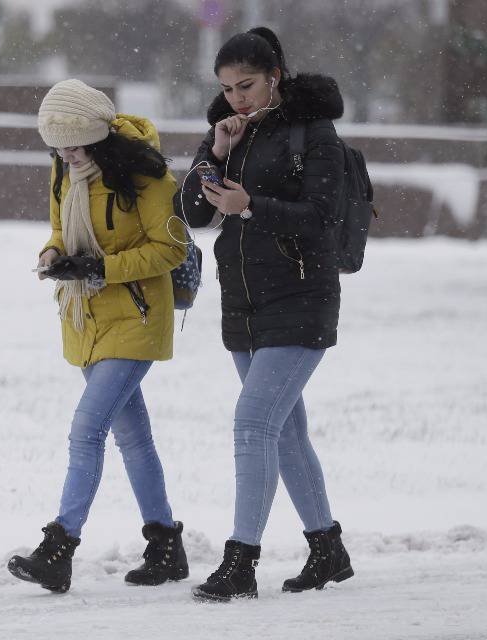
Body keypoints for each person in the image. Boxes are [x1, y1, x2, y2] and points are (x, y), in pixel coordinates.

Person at [175, 27, 355, 602]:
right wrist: (213, 153)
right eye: (227, 89)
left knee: (255, 424)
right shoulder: (231, 133)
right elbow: (191, 213)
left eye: (246, 85)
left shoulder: (313, 132)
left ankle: (241, 562)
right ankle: (327, 548)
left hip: (301, 296)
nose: (237, 98)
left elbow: (323, 215)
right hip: (243, 300)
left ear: (274, 76)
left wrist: (251, 205)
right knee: (287, 433)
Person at [6, 79, 189, 594]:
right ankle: (166, 547)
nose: (64, 154)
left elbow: (171, 249)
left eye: (73, 145)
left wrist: (100, 268)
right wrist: (52, 254)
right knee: (133, 437)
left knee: (86, 430)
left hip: (136, 316)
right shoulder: (65, 169)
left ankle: (58, 548)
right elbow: (60, 230)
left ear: (97, 136)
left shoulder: (146, 174)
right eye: (56, 146)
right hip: (85, 317)